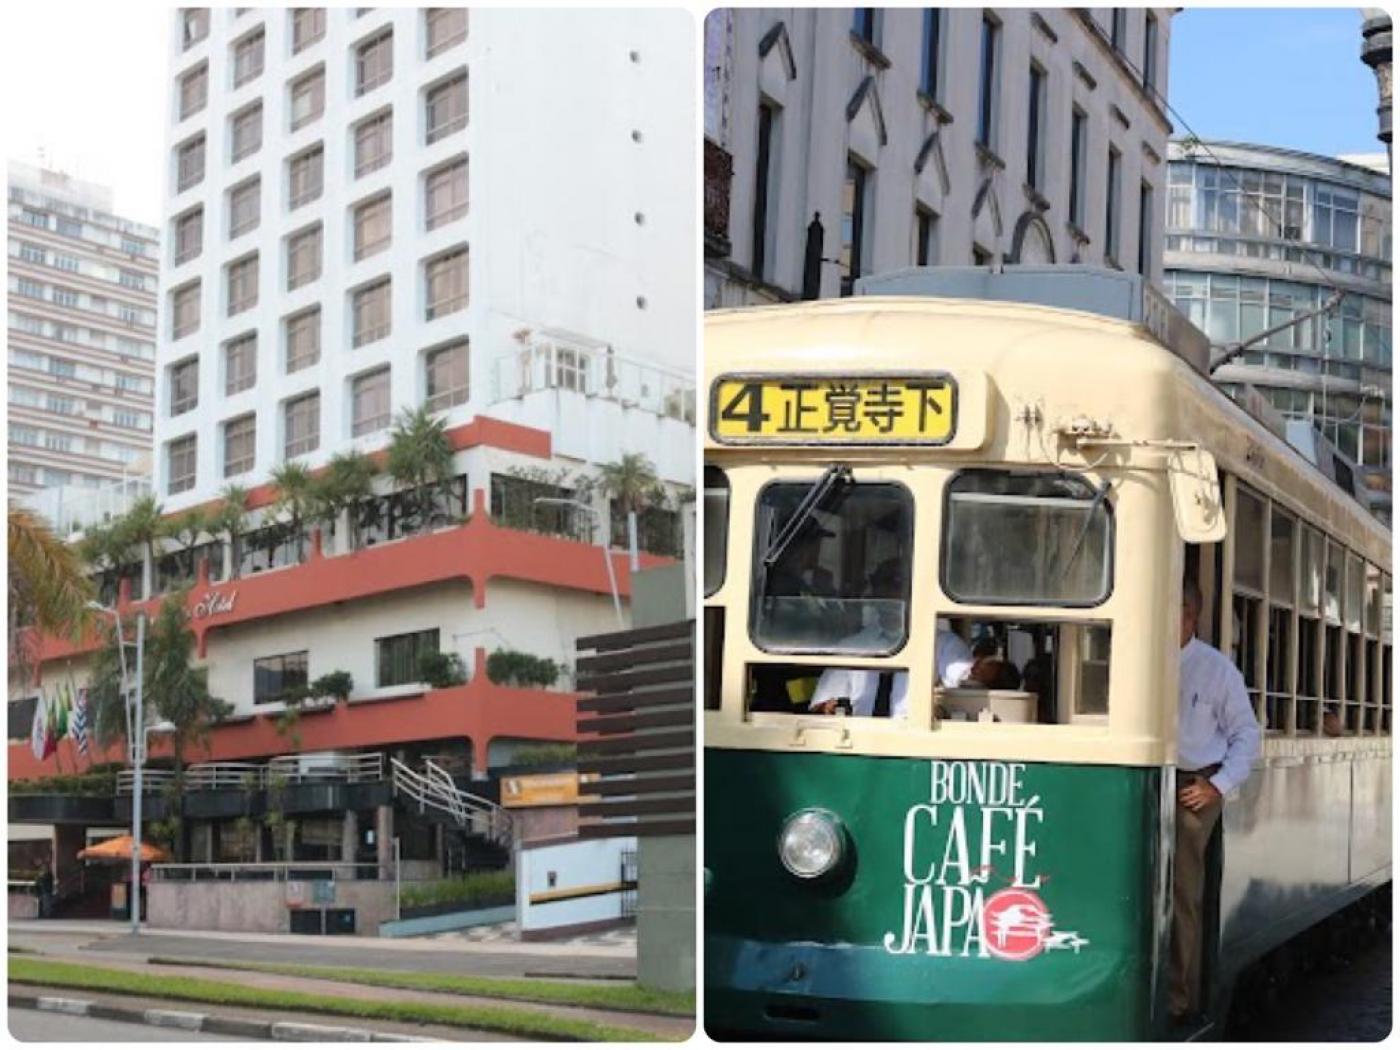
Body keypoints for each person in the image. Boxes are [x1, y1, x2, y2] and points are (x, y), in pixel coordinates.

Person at [1172, 576, 1261, 1024]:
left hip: (1193, 785)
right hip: (1147, 778)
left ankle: (1179, 996)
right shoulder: (1133, 656)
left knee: (1183, 891)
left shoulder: (1217, 670)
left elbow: (1247, 735)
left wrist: (1217, 785)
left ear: (1191, 616)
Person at [809, 560, 974, 718]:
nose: (889, 594)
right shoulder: (852, 647)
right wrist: (827, 708)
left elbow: (966, 689)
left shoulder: (946, 645)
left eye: (898, 586)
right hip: (859, 740)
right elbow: (824, 704)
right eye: (882, 585)